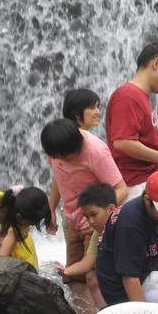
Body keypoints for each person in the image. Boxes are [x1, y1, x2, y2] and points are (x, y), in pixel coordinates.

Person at [42, 119, 128, 281]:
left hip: (94, 225)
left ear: (76, 147)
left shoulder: (96, 152)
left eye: (66, 157)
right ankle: (78, 307)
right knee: (72, 277)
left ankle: (102, 307)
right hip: (70, 220)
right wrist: (51, 208)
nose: (63, 160)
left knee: (93, 277)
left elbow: (122, 190)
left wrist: (98, 216)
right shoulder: (56, 146)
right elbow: (58, 175)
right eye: (57, 157)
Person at [105, 41, 158, 201]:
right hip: (135, 186)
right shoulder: (128, 96)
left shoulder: (139, 96)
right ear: (156, 63)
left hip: (144, 183)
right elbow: (123, 142)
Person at [96, 170, 158, 306]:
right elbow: (129, 277)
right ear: (147, 200)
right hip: (123, 287)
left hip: (151, 271)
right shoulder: (130, 223)